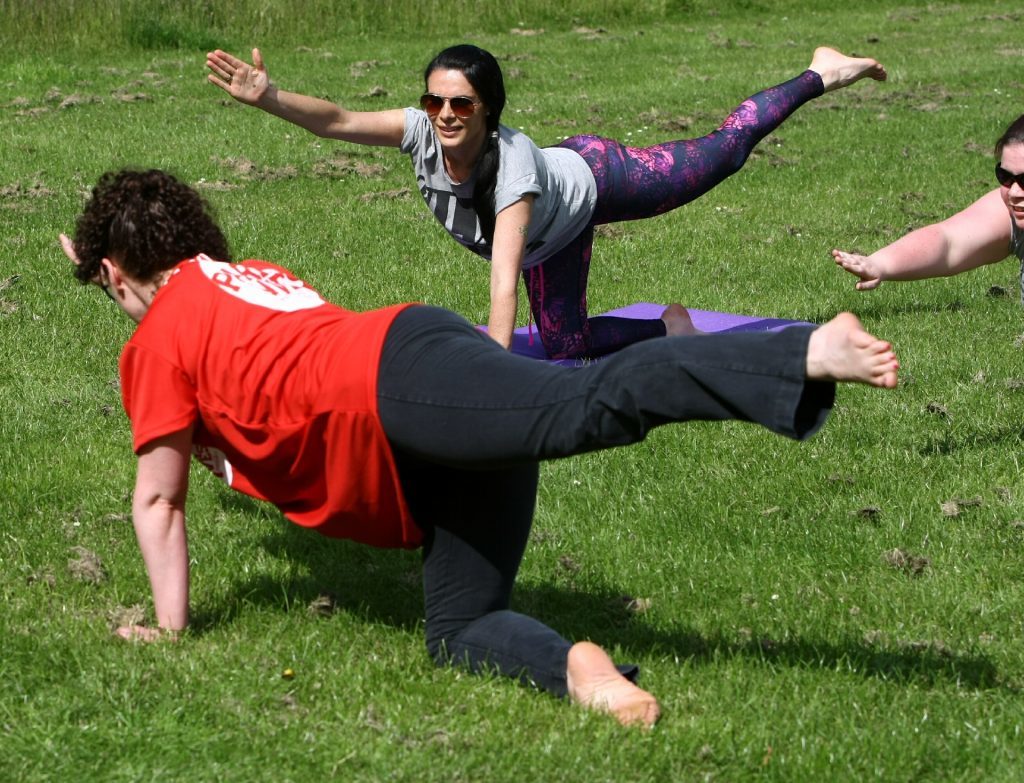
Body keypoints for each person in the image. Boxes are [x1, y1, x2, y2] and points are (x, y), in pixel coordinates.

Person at [63, 168, 898, 728]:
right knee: (459, 626)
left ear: (112, 272)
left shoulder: (157, 340)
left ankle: (802, 352)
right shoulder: (242, 275)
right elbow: (257, 391)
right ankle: (586, 672)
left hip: (398, 382)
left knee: (578, 403)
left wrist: (171, 629)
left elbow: (158, 498)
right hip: (410, 430)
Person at [205, 44, 887, 360]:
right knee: (565, 347)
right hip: (553, 234)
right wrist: (269, 96)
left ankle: (819, 72)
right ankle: (669, 329)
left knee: (723, 154)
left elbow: (504, 280)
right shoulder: (418, 132)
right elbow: (336, 120)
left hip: (598, 176)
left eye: (461, 103)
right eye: (434, 99)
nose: (444, 112)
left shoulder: (513, 175)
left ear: (488, 109)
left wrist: (492, 374)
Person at [833, 114, 1024, 293]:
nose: (1014, 192)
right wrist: (878, 264)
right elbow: (949, 241)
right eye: (1005, 176)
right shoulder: (1012, 214)